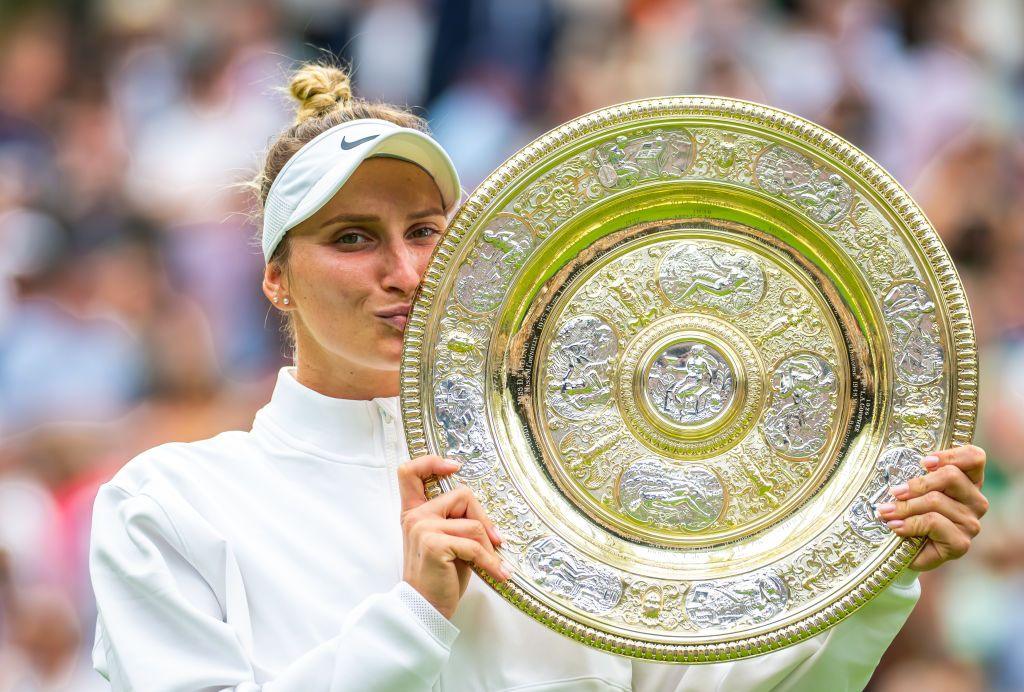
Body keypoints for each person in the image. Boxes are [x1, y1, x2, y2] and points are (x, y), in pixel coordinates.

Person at [88, 62, 990, 691]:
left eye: (426, 231)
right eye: (352, 238)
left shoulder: (564, 480)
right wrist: (413, 616)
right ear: (275, 278)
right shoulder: (172, 502)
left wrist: (878, 570)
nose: (402, 272)